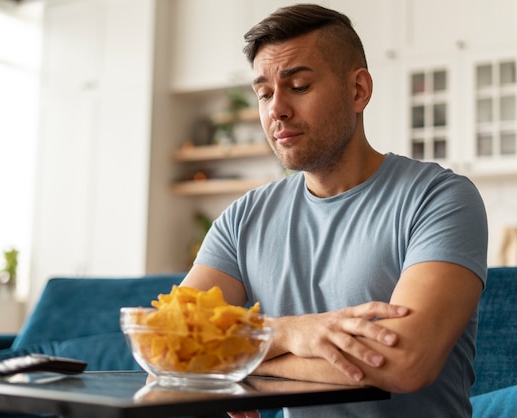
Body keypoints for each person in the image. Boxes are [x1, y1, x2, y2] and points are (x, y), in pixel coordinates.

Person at [181, 4, 488, 417]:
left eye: (300, 86)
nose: (277, 110)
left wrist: (237, 362)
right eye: (265, 94)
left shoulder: (440, 198)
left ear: (358, 90)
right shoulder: (242, 219)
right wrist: (290, 332)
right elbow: (174, 346)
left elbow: (403, 363)